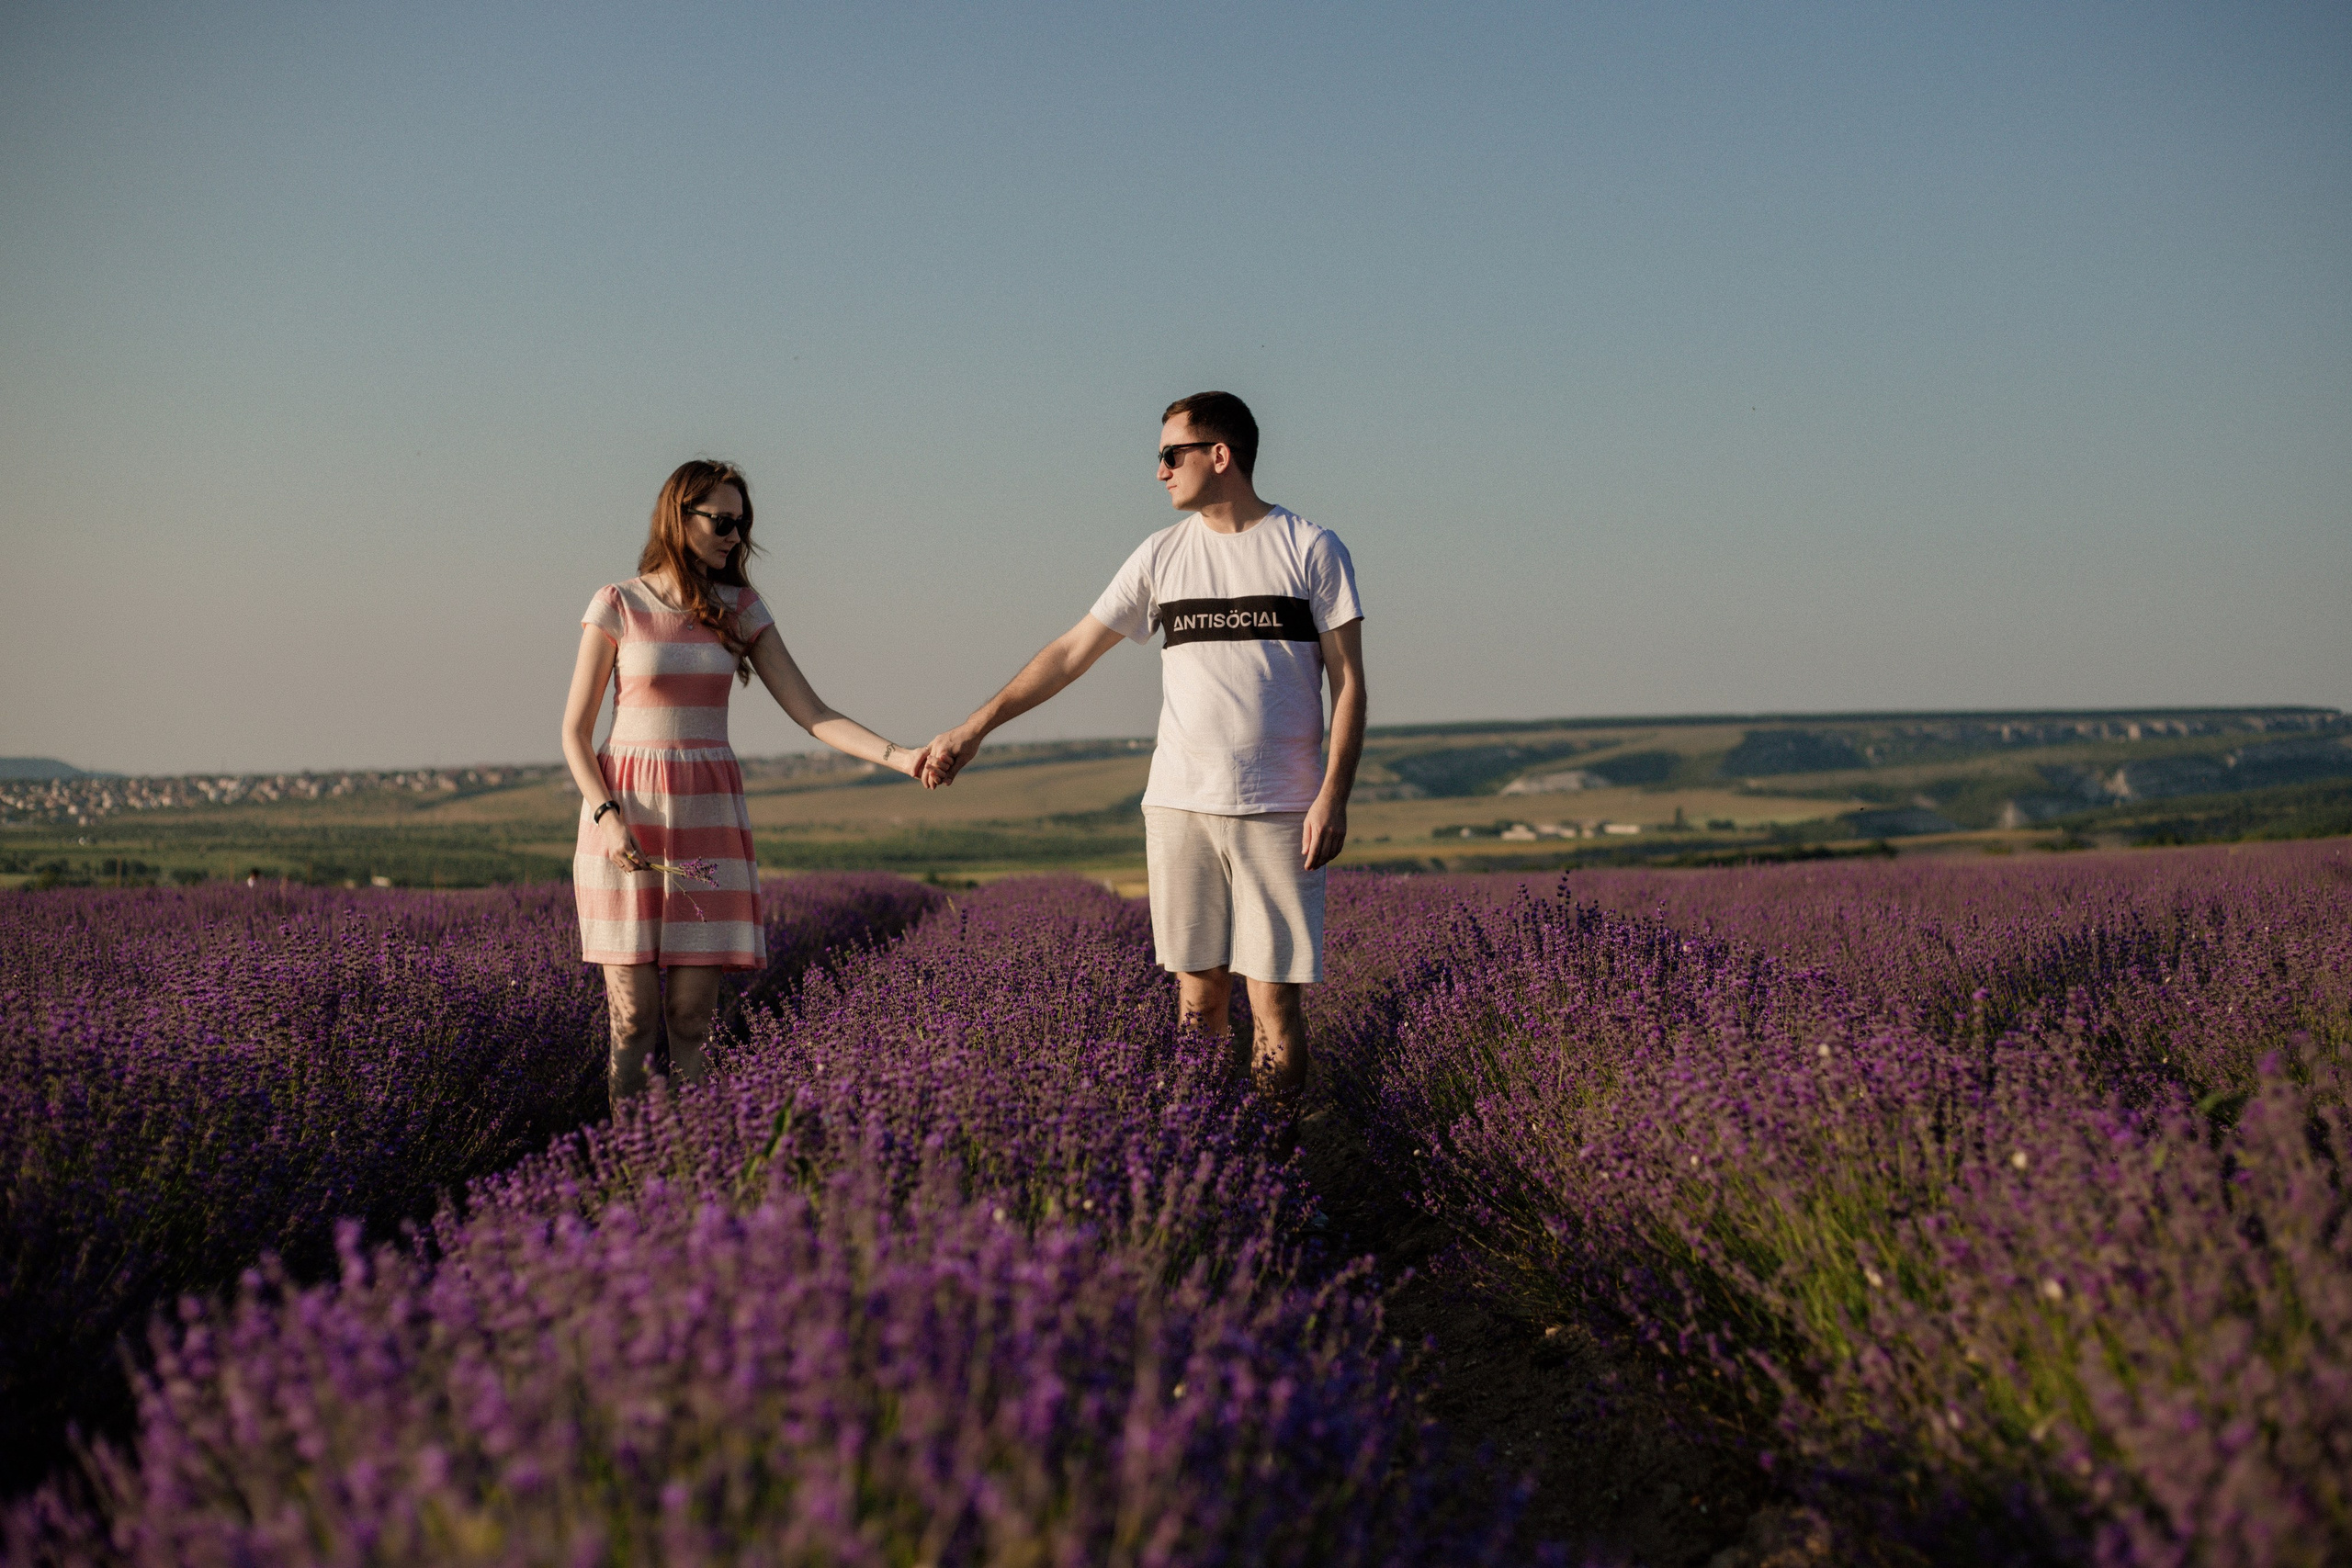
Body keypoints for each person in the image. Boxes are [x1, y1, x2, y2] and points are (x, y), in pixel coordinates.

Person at [921, 392, 1365, 1106]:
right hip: (1179, 807)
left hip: (1280, 810)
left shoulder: (1310, 548)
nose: (1159, 471)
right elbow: (1070, 653)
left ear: (1219, 456)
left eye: (1170, 453)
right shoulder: (1161, 555)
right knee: (1199, 999)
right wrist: (976, 726)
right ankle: (1213, 1157)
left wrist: (1333, 795)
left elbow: (1350, 685)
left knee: (1275, 1003)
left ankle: (1280, 1172)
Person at [561, 458, 928, 1108]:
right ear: (680, 517)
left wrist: (901, 756)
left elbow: (811, 711)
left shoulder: (740, 608)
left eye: (742, 524)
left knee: (691, 1018)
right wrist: (606, 814)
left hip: (709, 829)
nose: (736, 537)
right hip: (625, 825)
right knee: (632, 1022)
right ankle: (632, 1171)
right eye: (723, 521)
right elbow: (574, 732)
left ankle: (695, 1164)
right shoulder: (617, 602)